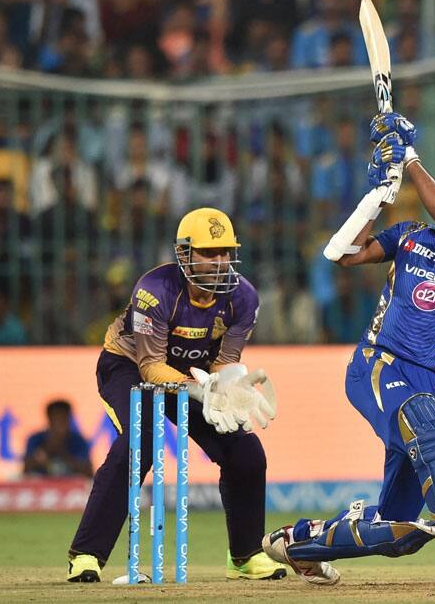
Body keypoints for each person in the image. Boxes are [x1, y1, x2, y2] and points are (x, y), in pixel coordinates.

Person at [262, 113, 435, 590]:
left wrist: (407, 156)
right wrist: (377, 194)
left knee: (398, 527)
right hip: (378, 365)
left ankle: (297, 544)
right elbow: (340, 255)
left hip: (427, 380)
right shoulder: (408, 236)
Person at [67, 208, 285, 583]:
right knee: (141, 441)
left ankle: (246, 556)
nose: (220, 263)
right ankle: (86, 554)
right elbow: (151, 367)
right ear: (185, 254)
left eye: (225, 253)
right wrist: (204, 389)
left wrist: (228, 385)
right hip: (128, 366)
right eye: (209, 253)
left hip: (193, 374)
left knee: (246, 452)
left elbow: (225, 360)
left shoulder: (244, 297)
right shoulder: (155, 290)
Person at [24, 400, 93, 478]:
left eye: (63, 418)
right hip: (41, 487)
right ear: (49, 418)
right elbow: (26, 470)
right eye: (57, 418)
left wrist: (62, 452)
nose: (60, 422)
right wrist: (47, 449)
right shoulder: (35, 440)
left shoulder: (79, 441)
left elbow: (89, 472)